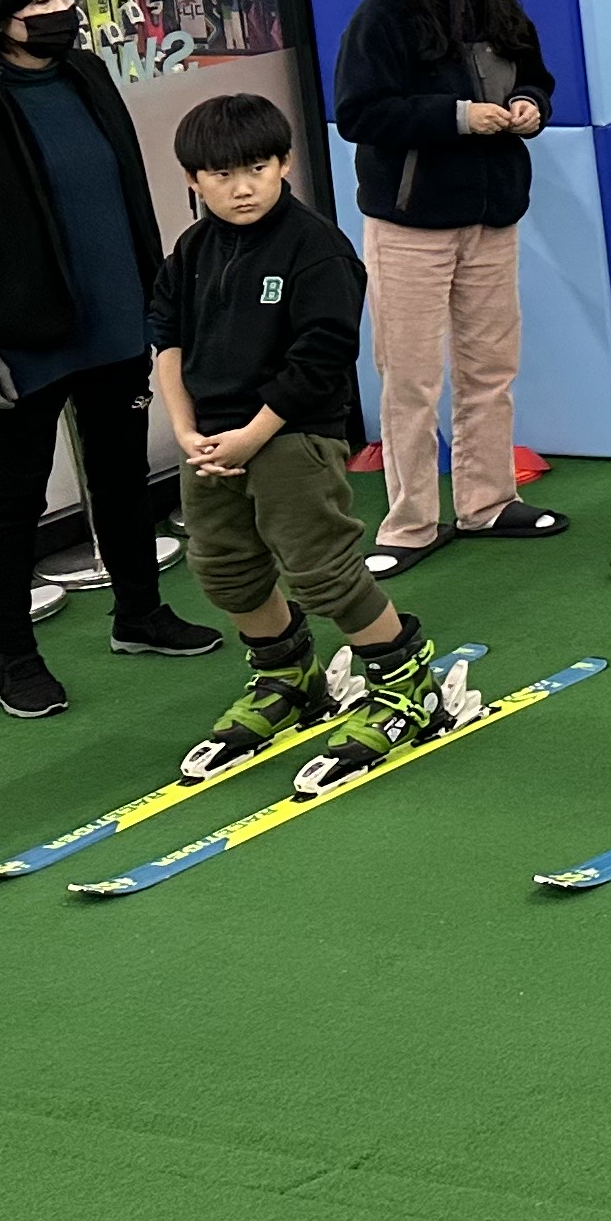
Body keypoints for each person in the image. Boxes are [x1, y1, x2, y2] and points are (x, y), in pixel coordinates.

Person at [0, 0, 219, 714]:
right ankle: (12, 657)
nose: (62, 11)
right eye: (41, 1)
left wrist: (157, 298)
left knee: (121, 471)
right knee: (13, 497)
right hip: (23, 335)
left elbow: (125, 192)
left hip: (114, 319)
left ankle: (140, 612)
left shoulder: (87, 75)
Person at [149, 92, 446, 788]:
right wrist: (186, 429)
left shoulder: (316, 248)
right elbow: (167, 337)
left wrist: (252, 435)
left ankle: (407, 684)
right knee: (223, 568)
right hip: (212, 441)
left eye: (257, 168)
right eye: (221, 174)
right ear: (193, 179)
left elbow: (321, 358)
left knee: (322, 570)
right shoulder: (192, 250)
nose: (242, 187)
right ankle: (288, 677)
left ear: (285, 163)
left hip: (291, 435)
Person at [333, 0, 565, 571]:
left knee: (489, 367)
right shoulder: (382, 15)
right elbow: (360, 113)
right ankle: (408, 524)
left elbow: (537, 76)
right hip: (412, 223)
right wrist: (458, 117)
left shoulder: (500, 3)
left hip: (493, 214)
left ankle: (487, 501)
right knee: (409, 378)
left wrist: (530, 106)